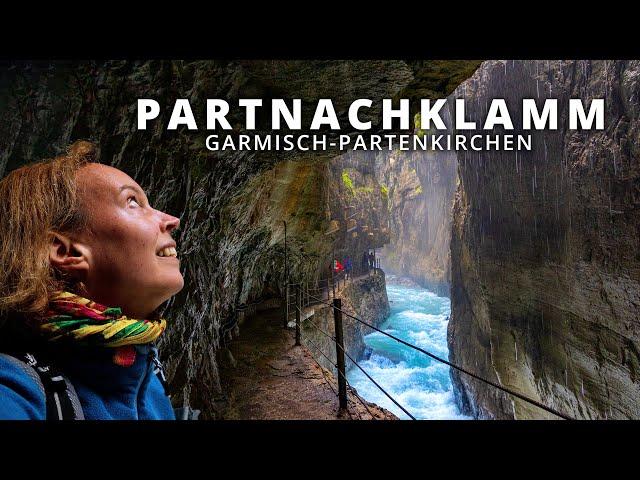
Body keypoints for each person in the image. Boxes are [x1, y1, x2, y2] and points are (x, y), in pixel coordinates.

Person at [0, 141, 185, 420]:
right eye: (132, 202)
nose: (172, 220)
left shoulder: (147, 370)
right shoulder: (14, 391)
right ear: (67, 251)